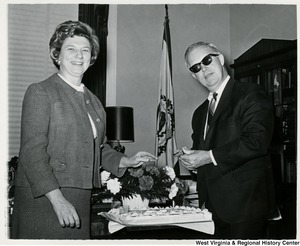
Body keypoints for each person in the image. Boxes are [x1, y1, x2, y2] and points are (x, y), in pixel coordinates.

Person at [11, 20, 156, 239]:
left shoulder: (94, 102)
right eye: (71, 49)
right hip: (46, 197)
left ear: (91, 58)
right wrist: (58, 201)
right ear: (57, 55)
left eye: (85, 50)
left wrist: (126, 160)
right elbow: (32, 154)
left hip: (80, 195)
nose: (79, 55)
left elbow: (98, 147)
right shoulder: (41, 92)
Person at [179, 41, 277, 239]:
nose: (204, 69)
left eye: (207, 60)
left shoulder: (250, 93)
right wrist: (192, 160)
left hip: (246, 206)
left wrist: (208, 157)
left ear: (220, 58)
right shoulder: (199, 113)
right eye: (196, 67)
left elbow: (257, 141)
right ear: (193, 75)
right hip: (212, 207)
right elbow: (204, 152)